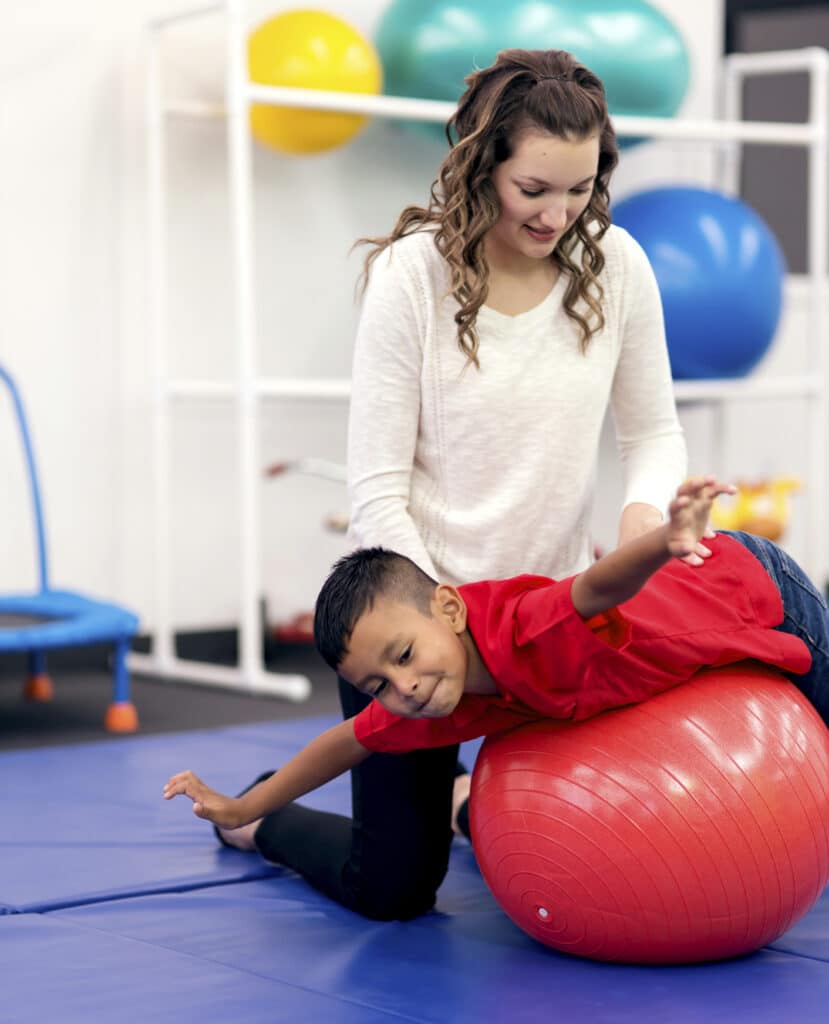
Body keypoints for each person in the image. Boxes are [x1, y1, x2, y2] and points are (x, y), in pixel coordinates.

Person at [208, 46, 693, 921]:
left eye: (580, 189)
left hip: (542, 628)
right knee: (392, 890)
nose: (558, 214)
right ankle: (264, 821)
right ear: (483, 163)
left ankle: (466, 797)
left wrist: (638, 530)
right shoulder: (413, 276)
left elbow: (653, 433)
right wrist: (451, 640)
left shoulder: (616, 266)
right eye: (534, 188)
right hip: (420, 633)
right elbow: (378, 492)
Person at [163, 477, 828, 859]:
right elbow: (342, 744)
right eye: (377, 686)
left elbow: (594, 588)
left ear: (448, 608)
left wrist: (663, 541)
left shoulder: (525, 627)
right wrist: (242, 805)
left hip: (753, 591)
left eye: (402, 657)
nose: (405, 688)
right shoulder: (432, 694)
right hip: (676, 644)